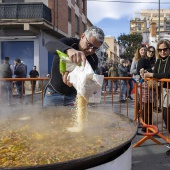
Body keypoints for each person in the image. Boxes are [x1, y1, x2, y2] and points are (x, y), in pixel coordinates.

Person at [44, 26, 105, 107]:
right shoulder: (69, 42)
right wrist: (68, 50)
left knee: (73, 120)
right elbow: (49, 44)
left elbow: (85, 80)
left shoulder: (93, 59)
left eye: (95, 48)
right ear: (83, 36)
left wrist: (73, 84)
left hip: (73, 97)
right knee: (49, 119)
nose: (90, 50)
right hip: (53, 94)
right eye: (89, 44)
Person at [142, 40, 170, 148]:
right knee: (165, 116)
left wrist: (152, 74)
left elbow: (167, 74)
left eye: (165, 49)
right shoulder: (158, 61)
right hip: (163, 90)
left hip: (168, 90)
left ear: (169, 49)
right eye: (160, 50)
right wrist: (146, 73)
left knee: (167, 115)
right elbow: (157, 73)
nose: (162, 52)